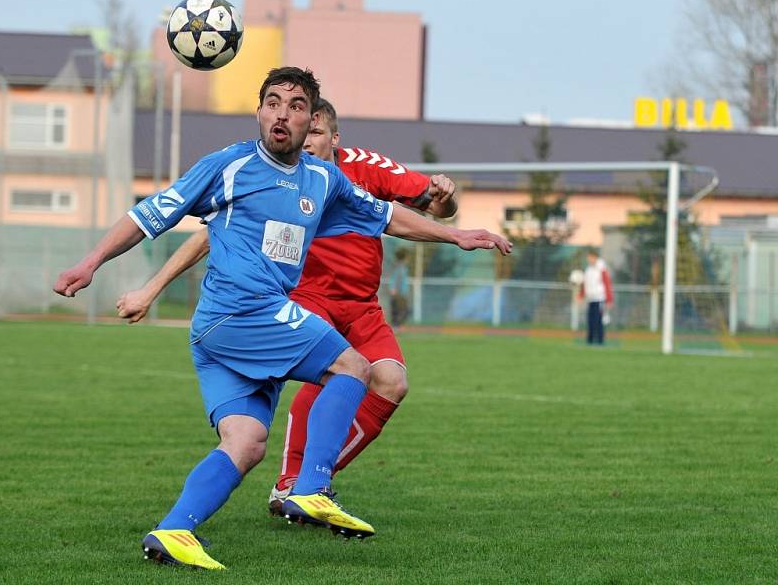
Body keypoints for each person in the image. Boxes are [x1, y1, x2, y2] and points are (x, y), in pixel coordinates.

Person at [54, 67, 512, 571]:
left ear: (310, 119)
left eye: (296, 106)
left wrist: (456, 235)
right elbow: (150, 214)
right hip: (241, 312)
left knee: (246, 443)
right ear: (259, 112)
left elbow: (386, 217)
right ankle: (311, 487)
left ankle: (173, 530)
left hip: (221, 332)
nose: (282, 113)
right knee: (353, 366)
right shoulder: (228, 166)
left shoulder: (322, 179)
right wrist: (90, 263)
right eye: (273, 102)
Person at [116, 97, 461, 522]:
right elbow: (211, 235)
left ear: (335, 138)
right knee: (335, 374)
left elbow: (427, 207)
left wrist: (448, 207)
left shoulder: (360, 169)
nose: (306, 139)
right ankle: (296, 485)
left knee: (391, 382)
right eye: (301, 129)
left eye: (315, 131)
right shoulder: (276, 177)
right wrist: (151, 288)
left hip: (360, 306)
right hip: (303, 299)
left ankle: (308, 484)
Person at [578, 249, 614, 344]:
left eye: (591, 257)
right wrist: (581, 295)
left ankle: (599, 340)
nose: (589, 259)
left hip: (600, 299)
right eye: (588, 257)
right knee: (590, 320)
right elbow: (585, 284)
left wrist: (609, 299)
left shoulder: (601, 269)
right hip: (591, 299)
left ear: (595, 257)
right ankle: (590, 340)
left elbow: (607, 284)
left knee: (598, 320)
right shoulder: (588, 270)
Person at [388, 246, 412, 327]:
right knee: (403, 310)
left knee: (401, 311)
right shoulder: (400, 267)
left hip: (400, 292)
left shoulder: (402, 267)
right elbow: (397, 279)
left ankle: (396, 326)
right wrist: (394, 289)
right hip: (399, 292)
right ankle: (395, 326)